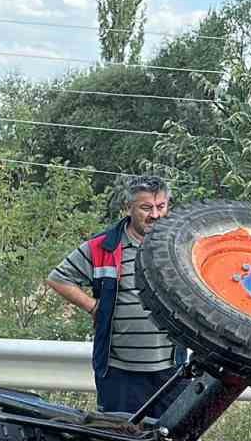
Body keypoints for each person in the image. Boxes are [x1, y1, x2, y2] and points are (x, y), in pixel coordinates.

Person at [47, 174, 184, 414]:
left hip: (171, 371)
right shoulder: (103, 247)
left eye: (161, 206)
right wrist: (94, 307)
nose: (155, 214)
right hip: (119, 372)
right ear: (128, 207)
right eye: (146, 208)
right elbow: (58, 278)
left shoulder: (180, 247)